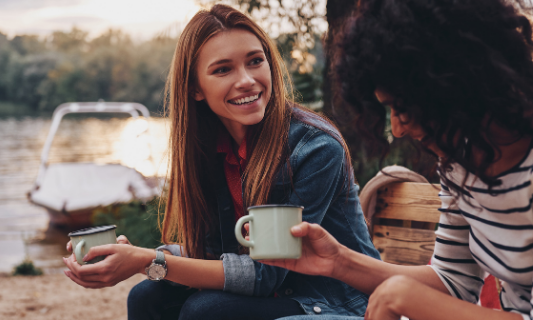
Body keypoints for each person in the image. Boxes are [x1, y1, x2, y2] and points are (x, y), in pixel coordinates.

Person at [264, 0, 533, 319]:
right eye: (388, 109)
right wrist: (339, 263)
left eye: (403, 107)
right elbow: (452, 282)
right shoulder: (463, 161)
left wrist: (402, 296)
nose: (398, 128)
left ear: (458, 84)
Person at [61, 4, 380, 320]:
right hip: (279, 293)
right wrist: (132, 256)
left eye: (255, 61)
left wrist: (146, 261)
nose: (247, 80)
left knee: (208, 311)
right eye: (223, 69)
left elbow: (266, 274)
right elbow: (213, 253)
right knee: (146, 298)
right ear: (195, 88)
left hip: (336, 301)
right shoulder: (210, 147)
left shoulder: (315, 147)